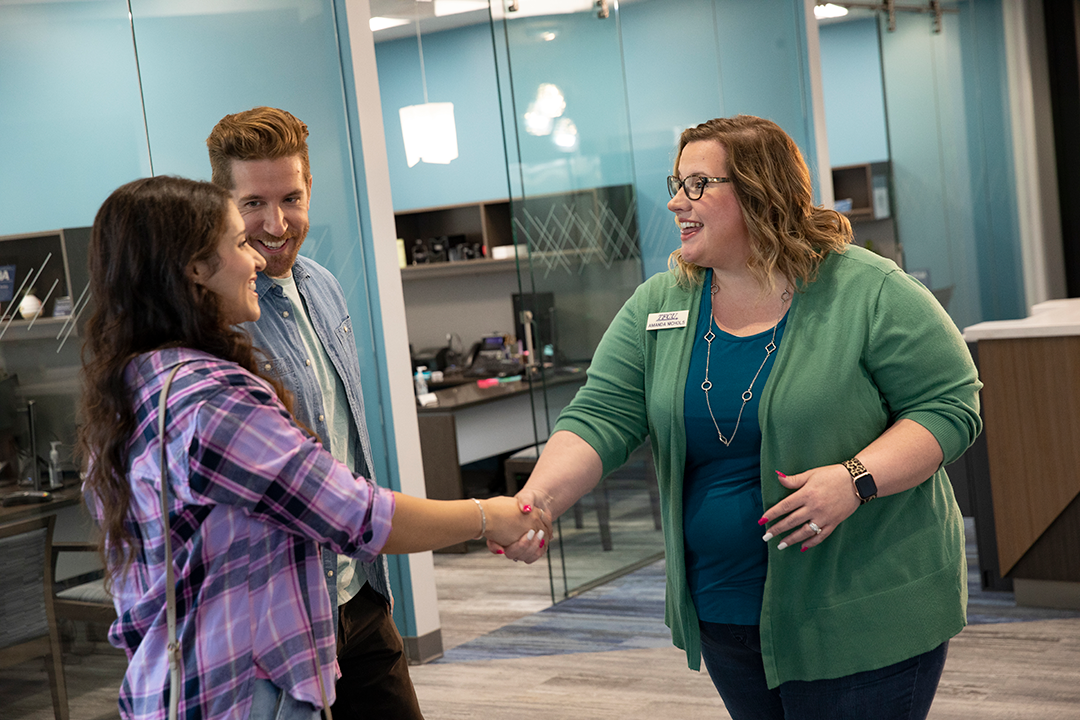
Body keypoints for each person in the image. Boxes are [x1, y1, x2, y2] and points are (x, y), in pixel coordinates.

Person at [492, 115, 982, 719]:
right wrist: (535, 500)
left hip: (861, 611)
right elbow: (600, 414)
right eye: (677, 182)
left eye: (698, 185)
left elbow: (949, 406)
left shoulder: (866, 290)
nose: (675, 201)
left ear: (759, 191)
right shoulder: (661, 304)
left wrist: (856, 478)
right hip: (725, 614)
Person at [77, 175, 547, 720]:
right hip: (237, 695)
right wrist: (490, 516)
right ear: (194, 269)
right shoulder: (214, 403)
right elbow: (356, 514)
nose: (255, 258)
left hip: (170, 689)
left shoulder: (135, 384)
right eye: (238, 240)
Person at [205, 106, 424, 719]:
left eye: (291, 198)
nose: (276, 224)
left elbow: (344, 438)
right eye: (253, 204)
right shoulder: (223, 319)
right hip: (284, 618)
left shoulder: (323, 285)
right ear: (223, 204)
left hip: (360, 592)